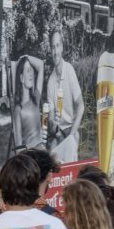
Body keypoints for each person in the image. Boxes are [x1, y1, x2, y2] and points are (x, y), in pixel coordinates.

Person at [44, 26, 83, 163]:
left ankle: (70, 176)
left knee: (74, 139)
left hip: (70, 129)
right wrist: (53, 124)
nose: (55, 51)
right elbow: (52, 119)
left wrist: (71, 134)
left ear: (62, 48)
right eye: (53, 47)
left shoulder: (69, 71)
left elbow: (81, 105)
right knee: (53, 153)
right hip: (58, 132)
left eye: (57, 46)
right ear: (50, 49)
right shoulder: (50, 82)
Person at [12, 55, 45, 150]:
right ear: (21, 78)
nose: (31, 74)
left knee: (70, 142)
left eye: (31, 70)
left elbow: (41, 65)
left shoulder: (36, 99)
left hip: (42, 150)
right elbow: (18, 148)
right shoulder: (19, 109)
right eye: (27, 70)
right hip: (33, 156)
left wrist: (26, 56)